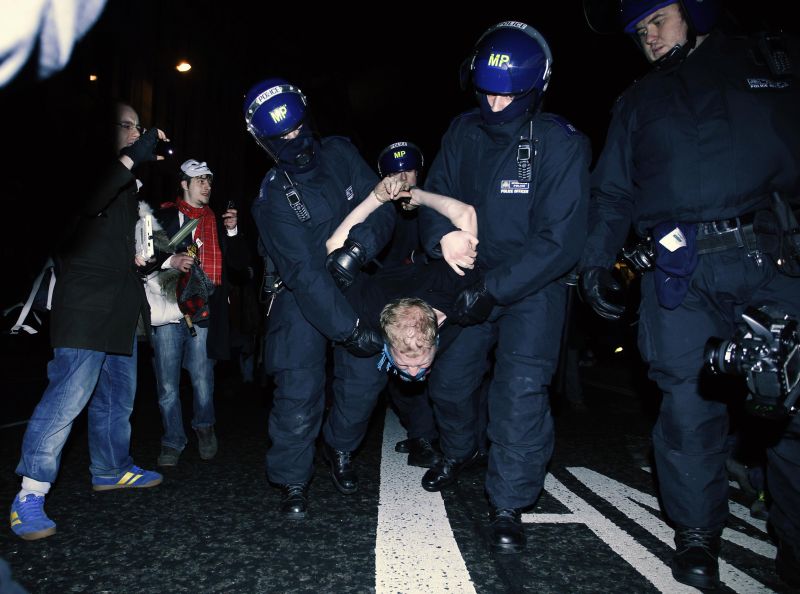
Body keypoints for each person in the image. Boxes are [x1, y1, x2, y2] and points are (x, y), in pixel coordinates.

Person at [578, 1, 800, 588]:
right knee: (685, 404)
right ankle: (696, 534)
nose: (648, 36)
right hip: (680, 274)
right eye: (638, 31)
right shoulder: (637, 101)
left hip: (775, 260)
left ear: (695, 11)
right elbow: (611, 195)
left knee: (789, 400)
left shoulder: (771, 63)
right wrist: (596, 264)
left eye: (658, 20)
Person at [417, 21, 591, 553]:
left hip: (532, 284)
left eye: (507, 95)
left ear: (535, 88)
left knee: (518, 392)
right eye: (486, 91)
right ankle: (461, 450)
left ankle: (509, 501)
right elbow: (434, 195)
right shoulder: (462, 131)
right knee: (449, 382)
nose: (494, 103)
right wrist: (441, 238)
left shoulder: (561, 143)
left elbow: (560, 241)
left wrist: (494, 288)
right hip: (469, 276)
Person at [8, 103, 166, 541]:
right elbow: (90, 200)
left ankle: (111, 469)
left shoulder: (128, 185)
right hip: (86, 305)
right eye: (127, 126)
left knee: (118, 397)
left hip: (122, 305)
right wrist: (133, 157)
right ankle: (30, 494)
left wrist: (142, 256)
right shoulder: (81, 168)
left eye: (139, 127)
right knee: (67, 397)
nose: (136, 133)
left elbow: (109, 237)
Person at [246, 78, 397, 519]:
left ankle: (340, 446)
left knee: (366, 379)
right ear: (265, 142)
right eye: (283, 137)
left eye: (298, 128)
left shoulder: (341, 153)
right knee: (298, 388)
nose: (295, 140)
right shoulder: (272, 196)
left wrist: (359, 249)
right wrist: (348, 331)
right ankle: (292, 477)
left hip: (357, 277)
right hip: (301, 294)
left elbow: (382, 205)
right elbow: (302, 274)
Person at [145, 158, 247, 466]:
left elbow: (239, 266)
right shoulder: (161, 215)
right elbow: (142, 256)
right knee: (167, 384)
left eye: (209, 180)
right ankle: (172, 440)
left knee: (203, 377)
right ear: (184, 184)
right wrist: (170, 261)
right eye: (200, 180)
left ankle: (204, 427)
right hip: (167, 309)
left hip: (203, 308)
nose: (206, 186)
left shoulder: (218, 221)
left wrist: (233, 232)